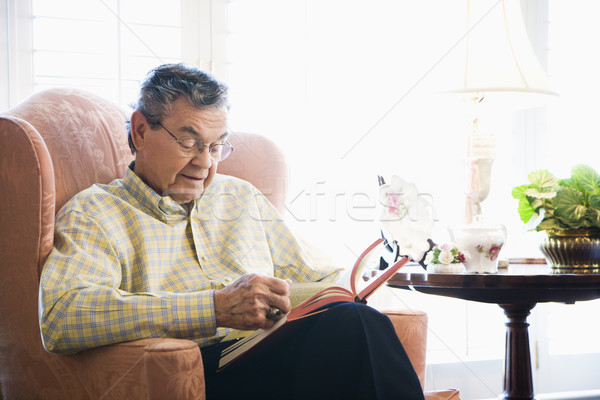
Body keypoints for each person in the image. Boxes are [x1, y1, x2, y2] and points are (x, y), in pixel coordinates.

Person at [39, 63, 425, 400]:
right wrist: (213, 308)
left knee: (356, 320)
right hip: (199, 372)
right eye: (189, 142)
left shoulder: (240, 196)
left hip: (273, 354)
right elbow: (62, 316)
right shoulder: (96, 212)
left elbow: (318, 277)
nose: (204, 163)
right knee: (354, 331)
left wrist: (353, 287)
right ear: (140, 131)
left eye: (217, 146)